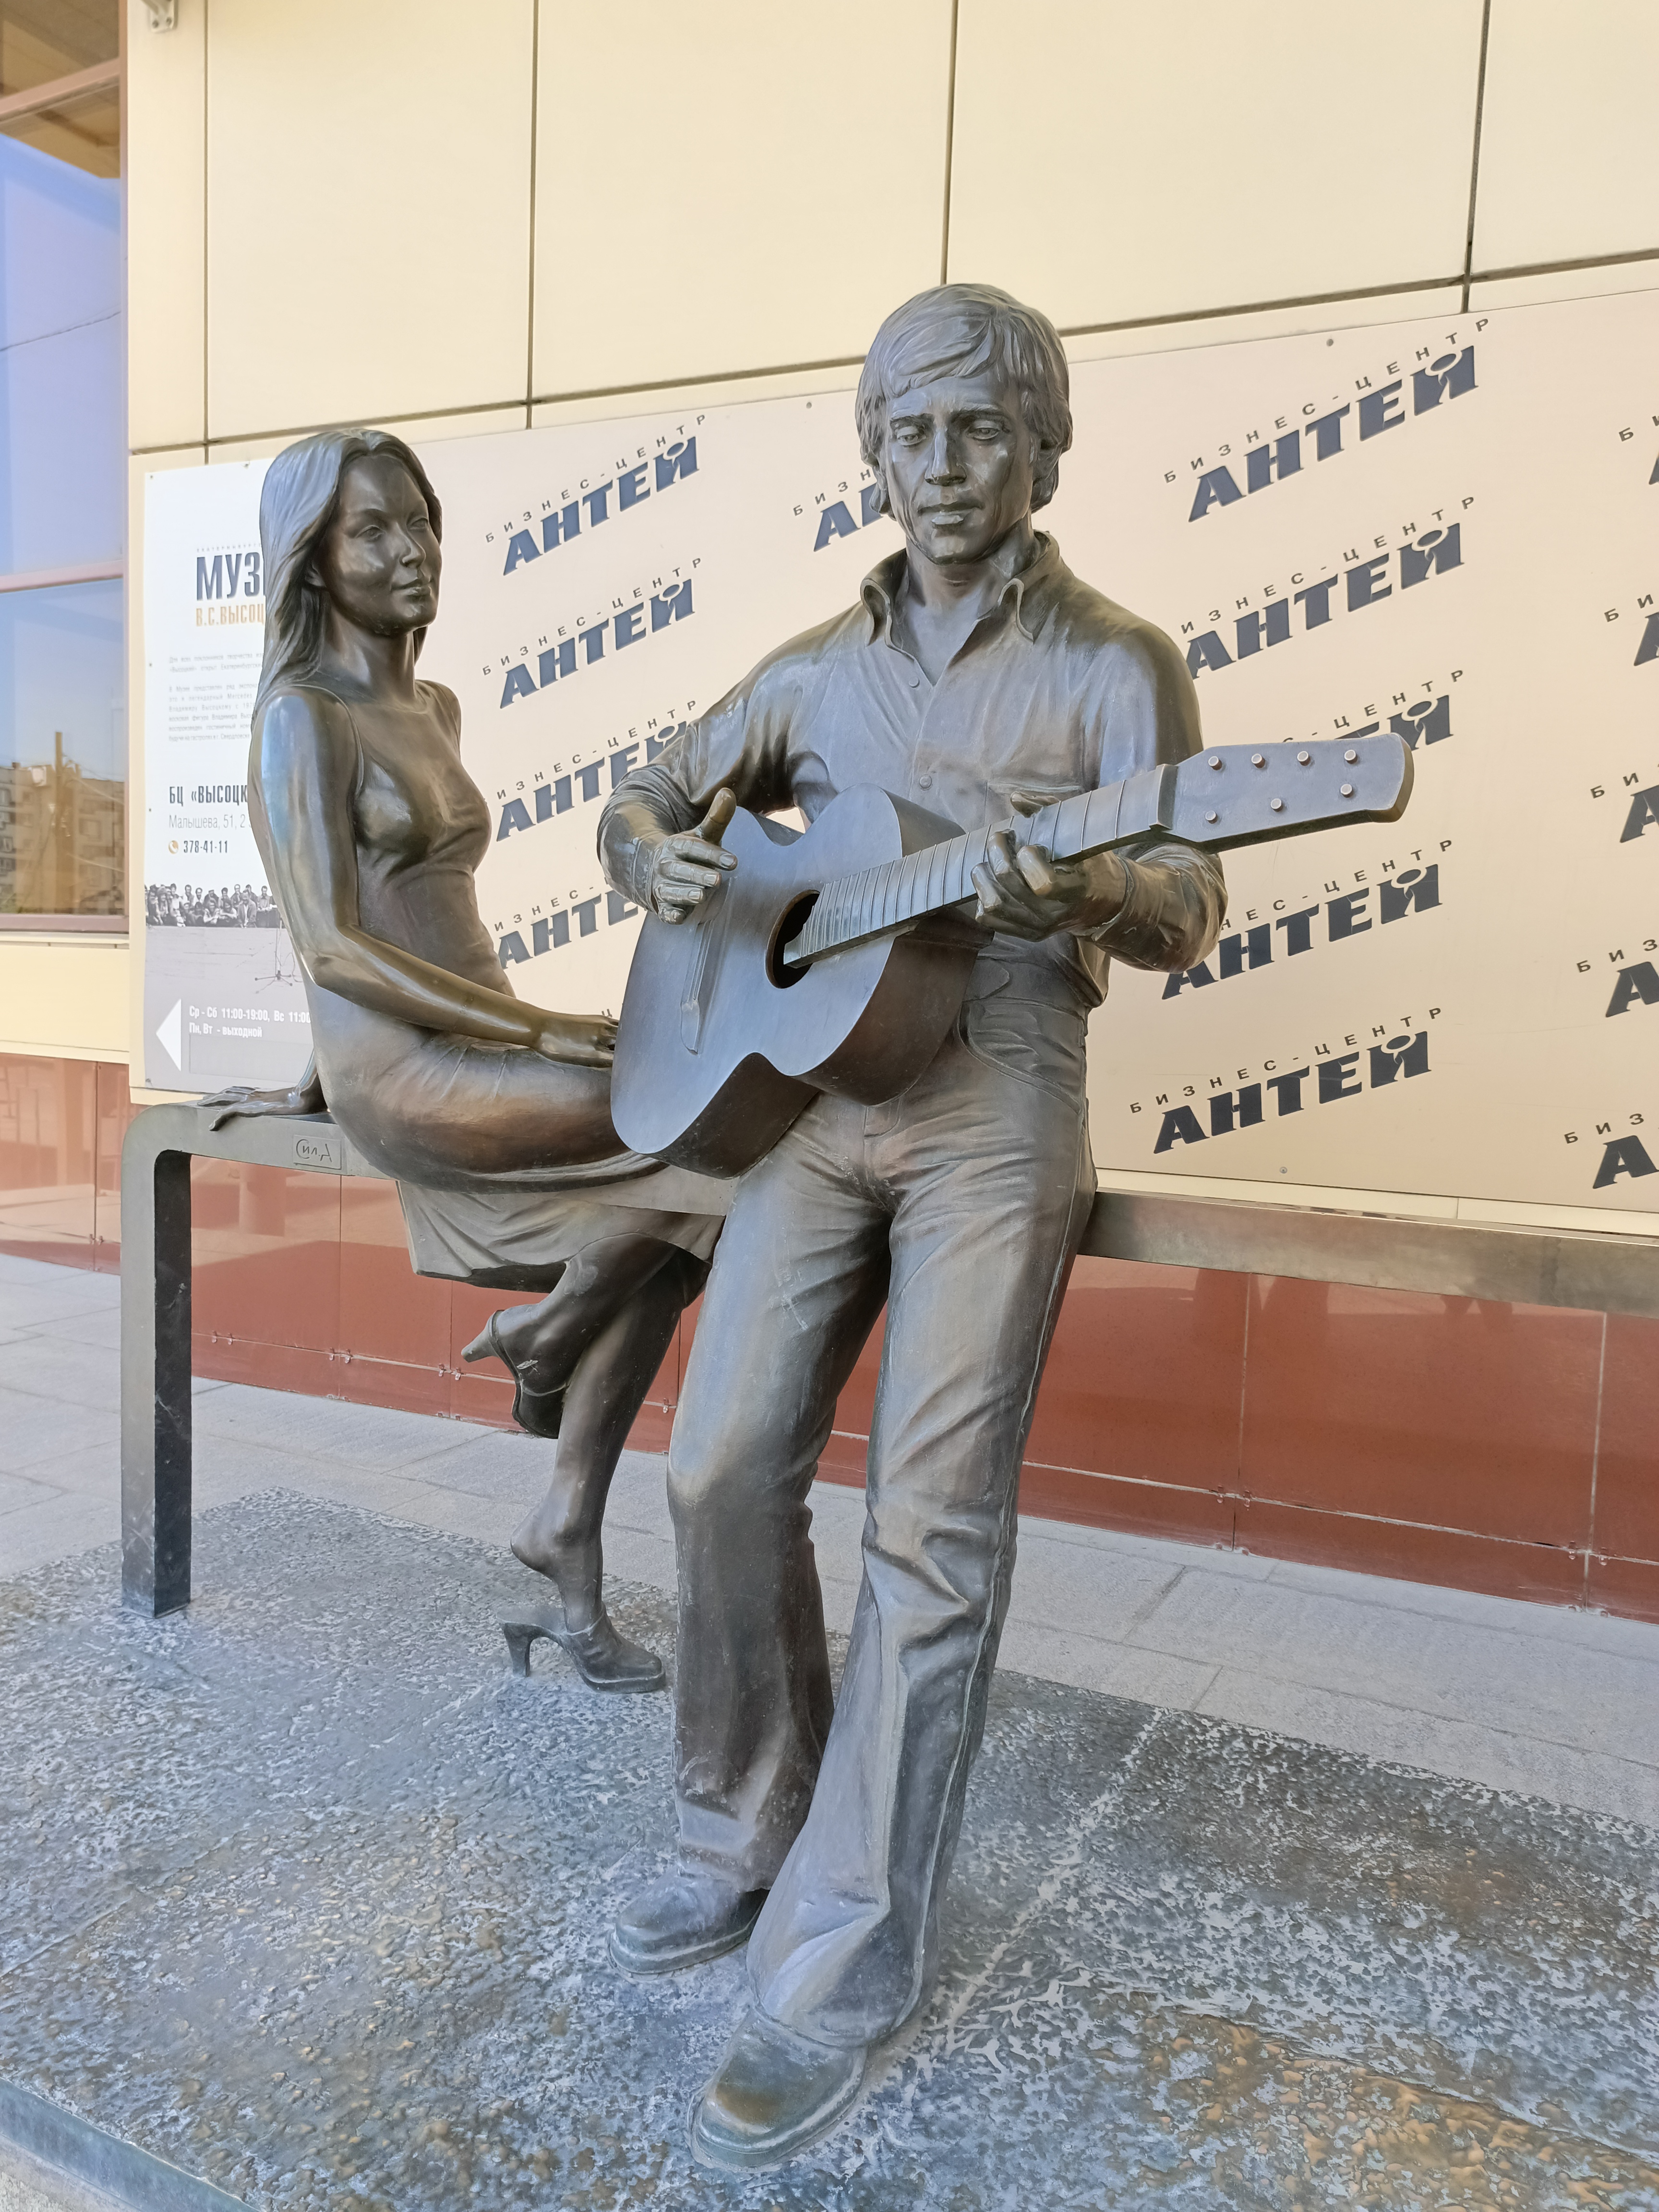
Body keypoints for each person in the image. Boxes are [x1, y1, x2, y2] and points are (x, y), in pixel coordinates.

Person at [598, 283, 1226, 2168]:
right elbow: (649, 795)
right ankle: (741, 1821)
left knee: (929, 1534)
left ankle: (841, 1968)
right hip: (817, 1100)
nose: (944, 465)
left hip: (999, 1087)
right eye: (911, 433)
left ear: (1044, 448)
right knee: (717, 1463)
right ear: (873, 454)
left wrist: (1095, 887)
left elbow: (1188, 899)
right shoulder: (806, 675)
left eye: (981, 429)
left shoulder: (1117, 661)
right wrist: (648, 851)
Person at [201, 428, 721, 1690]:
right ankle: (549, 1341)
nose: (411, 549)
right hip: (406, 1072)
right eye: (371, 529)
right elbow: (332, 946)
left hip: (481, 1035)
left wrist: (524, 1026)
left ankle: (565, 1506)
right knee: (706, 1138)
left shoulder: (431, 709)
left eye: (421, 520)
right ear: (312, 560)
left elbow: (413, 906)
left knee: (680, 1219)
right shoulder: (299, 720)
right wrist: (538, 1032)